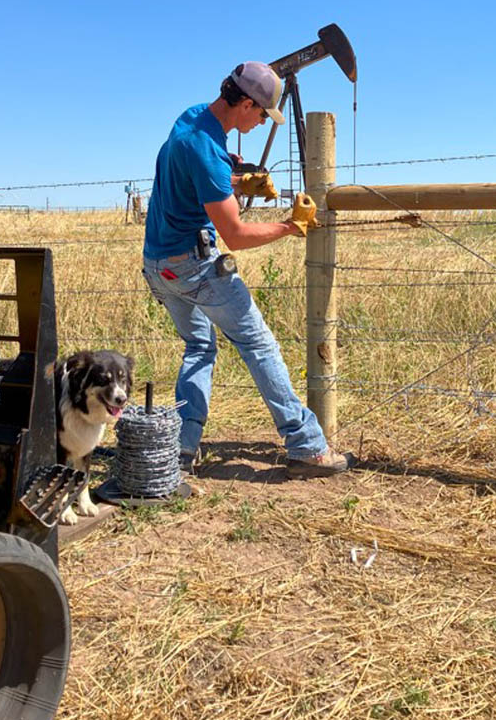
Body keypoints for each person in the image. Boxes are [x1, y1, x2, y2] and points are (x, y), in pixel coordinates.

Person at [142, 61, 354, 478]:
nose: (261, 122)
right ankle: (307, 446)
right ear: (243, 102)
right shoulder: (208, 153)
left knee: (199, 347)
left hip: (157, 264)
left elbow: (197, 171)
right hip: (193, 266)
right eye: (261, 113)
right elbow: (235, 235)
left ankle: (182, 449)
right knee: (259, 345)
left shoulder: (192, 118)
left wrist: (237, 179)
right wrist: (292, 226)